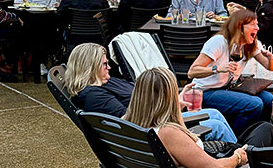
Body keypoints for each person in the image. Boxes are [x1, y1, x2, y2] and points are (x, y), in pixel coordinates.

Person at [64, 43, 237, 142]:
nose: (109, 67)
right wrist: (170, 107)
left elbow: (141, 99)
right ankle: (240, 166)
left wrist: (173, 99)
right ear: (90, 68)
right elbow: (131, 122)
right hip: (152, 131)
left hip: (157, 119)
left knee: (214, 113)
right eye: (104, 64)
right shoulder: (94, 95)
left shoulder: (106, 82)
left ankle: (237, 156)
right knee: (217, 126)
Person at [123, 67, 248, 168]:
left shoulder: (127, 124)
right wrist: (237, 157)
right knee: (262, 130)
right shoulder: (167, 133)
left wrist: (174, 108)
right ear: (169, 97)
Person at [187, 8, 273, 138]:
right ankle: (235, 139)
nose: (257, 28)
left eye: (257, 24)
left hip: (229, 87)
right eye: (253, 24)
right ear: (240, 27)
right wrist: (217, 69)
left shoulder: (250, 44)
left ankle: (259, 135)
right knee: (253, 104)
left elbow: (270, 67)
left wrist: (271, 59)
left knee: (269, 99)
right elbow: (192, 72)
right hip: (205, 91)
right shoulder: (219, 42)